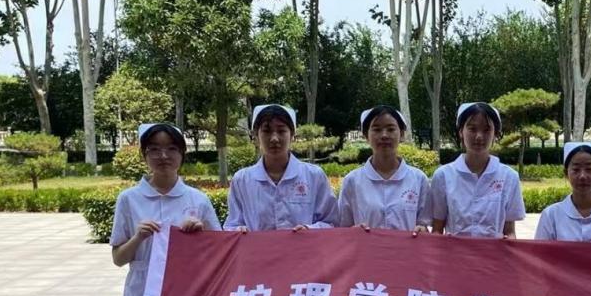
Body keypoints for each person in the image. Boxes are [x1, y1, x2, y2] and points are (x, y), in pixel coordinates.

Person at [110, 122, 220, 296]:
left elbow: (218, 252)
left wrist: (199, 235)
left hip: (187, 292)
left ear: (182, 154)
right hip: (143, 291)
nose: (163, 156)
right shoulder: (129, 200)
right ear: (144, 155)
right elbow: (118, 258)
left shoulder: (197, 199)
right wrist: (138, 238)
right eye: (154, 149)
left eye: (171, 149)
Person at [224, 103, 338, 232]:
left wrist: (309, 230)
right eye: (266, 131)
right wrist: (238, 231)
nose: (274, 138)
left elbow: (331, 222)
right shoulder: (242, 180)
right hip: (257, 246)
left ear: (292, 135)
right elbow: (232, 225)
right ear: (256, 135)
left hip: (304, 246)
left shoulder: (314, 175)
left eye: (281, 131)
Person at [431, 102, 525, 238]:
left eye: (486, 130)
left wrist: (509, 241)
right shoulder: (443, 176)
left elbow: (509, 231)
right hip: (454, 251)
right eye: (472, 129)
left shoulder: (509, 177)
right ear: (461, 132)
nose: (479, 136)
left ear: (495, 134)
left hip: (494, 251)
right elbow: (437, 229)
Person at [338, 106, 431, 234]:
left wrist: (424, 229)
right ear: (366, 135)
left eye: (391, 129)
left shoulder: (418, 179)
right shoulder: (352, 181)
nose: (384, 135)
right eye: (377, 129)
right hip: (366, 247)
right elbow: (341, 227)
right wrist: (352, 231)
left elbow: (426, 223)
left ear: (402, 134)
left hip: (407, 247)